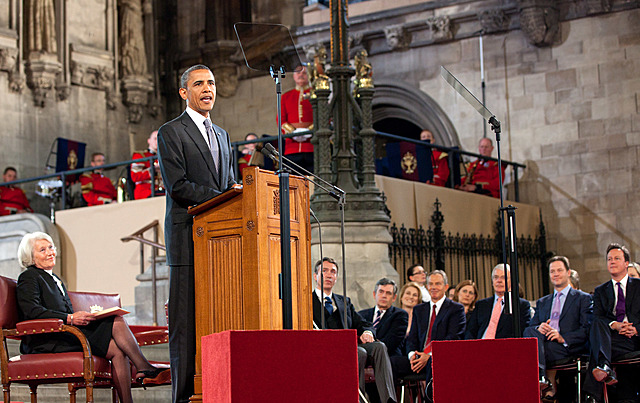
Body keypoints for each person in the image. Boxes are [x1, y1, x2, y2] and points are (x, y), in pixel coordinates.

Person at [157, 64, 237, 403]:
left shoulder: (222, 135)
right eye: (200, 83)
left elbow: (228, 181)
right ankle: (183, 397)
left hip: (221, 241)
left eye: (212, 83)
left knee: (218, 319)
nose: (208, 89)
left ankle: (216, 390)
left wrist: (235, 192)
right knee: (185, 327)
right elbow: (178, 186)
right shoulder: (171, 132)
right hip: (187, 238)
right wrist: (223, 195)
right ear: (184, 92)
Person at [15, 232, 169, 403]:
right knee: (116, 322)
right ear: (31, 257)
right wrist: (70, 318)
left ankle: (128, 398)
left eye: (51, 247)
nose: (50, 252)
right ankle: (144, 367)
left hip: (65, 333)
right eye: (42, 250)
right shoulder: (29, 276)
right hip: (47, 339)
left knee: (118, 351)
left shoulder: (53, 278)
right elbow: (32, 311)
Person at [312, 258, 396, 403]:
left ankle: (388, 399)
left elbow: (363, 323)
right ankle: (357, 400)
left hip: (349, 346)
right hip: (325, 349)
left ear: (336, 277)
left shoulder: (344, 301)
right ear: (315, 276)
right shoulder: (307, 300)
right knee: (359, 352)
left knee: (379, 347)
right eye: (324, 271)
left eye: (333, 272)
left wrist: (368, 332)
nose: (329, 275)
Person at [523, 256, 593, 400]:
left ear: (568, 272)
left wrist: (562, 337)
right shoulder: (543, 302)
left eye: (559, 270)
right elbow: (529, 330)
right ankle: (543, 378)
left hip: (567, 346)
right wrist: (539, 327)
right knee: (531, 332)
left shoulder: (582, 298)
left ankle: (544, 380)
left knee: (532, 352)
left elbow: (587, 329)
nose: (555, 274)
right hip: (545, 344)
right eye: (552, 271)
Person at [390, 270, 465, 398]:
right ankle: (390, 399)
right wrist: (412, 355)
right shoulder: (419, 309)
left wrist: (429, 355)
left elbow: (453, 338)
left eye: (438, 284)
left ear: (446, 287)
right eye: (431, 284)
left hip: (439, 358)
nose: (434, 287)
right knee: (392, 362)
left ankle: (429, 400)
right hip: (418, 357)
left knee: (432, 363)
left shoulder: (456, 309)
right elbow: (412, 338)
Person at [584, 243, 640, 403]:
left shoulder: (638, 286)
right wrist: (614, 325)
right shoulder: (601, 291)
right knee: (597, 322)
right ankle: (604, 366)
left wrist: (635, 330)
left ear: (626, 263)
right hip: (612, 339)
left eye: (616, 258)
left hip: (633, 339)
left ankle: (593, 392)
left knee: (595, 347)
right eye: (609, 259)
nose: (612, 262)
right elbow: (596, 320)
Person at [465, 263, 531, 340]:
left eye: (503, 277)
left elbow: (522, 332)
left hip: (504, 348)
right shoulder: (481, 305)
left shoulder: (521, 305)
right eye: (496, 277)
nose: (499, 281)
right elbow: (470, 331)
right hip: (479, 346)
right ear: (492, 281)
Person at [358, 278, 409, 357]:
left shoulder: (400, 315)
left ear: (394, 297)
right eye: (381, 292)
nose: (384, 296)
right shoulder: (361, 315)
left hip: (389, 357)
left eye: (388, 293)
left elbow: (391, 342)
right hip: (363, 356)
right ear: (374, 294)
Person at [280, 65, 314, 173]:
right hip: (292, 147)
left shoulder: (315, 94)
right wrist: (293, 132)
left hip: (311, 146)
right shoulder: (286, 96)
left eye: (304, 73)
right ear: (294, 76)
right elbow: (281, 119)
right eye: (298, 73)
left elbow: (324, 116)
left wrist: (310, 131)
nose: (301, 75)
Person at [131, 130, 164, 199]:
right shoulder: (140, 155)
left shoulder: (165, 157)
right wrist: (153, 170)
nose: (157, 141)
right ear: (149, 141)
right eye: (155, 138)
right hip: (146, 193)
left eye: (160, 139)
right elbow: (135, 176)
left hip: (163, 192)